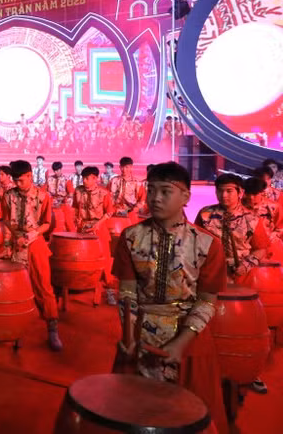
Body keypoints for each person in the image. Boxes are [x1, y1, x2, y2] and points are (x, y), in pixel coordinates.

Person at [112, 162, 229, 434]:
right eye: (150, 190)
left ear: (185, 197)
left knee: (190, 415)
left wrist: (181, 343)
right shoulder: (130, 237)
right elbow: (127, 293)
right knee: (135, 413)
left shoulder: (208, 243)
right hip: (140, 335)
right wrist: (128, 336)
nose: (155, 198)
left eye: (165, 191)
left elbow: (206, 300)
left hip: (190, 340)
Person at [195, 173, 271, 395]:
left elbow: (261, 248)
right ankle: (206, 369)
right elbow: (194, 241)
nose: (224, 195)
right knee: (208, 322)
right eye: (220, 191)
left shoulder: (251, 219)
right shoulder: (206, 215)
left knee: (244, 327)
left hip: (242, 278)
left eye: (229, 191)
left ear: (240, 192)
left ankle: (250, 371)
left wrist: (246, 264)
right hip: (211, 276)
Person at [1, 160, 63, 350]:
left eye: (20, 181)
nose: (17, 184)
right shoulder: (8, 195)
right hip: (16, 245)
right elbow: (6, 220)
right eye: (14, 181)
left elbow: (46, 223)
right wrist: (7, 245)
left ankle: (52, 327)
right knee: (16, 287)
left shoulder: (43, 196)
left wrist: (31, 235)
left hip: (35, 244)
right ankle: (15, 329)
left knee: (43, 286)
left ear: (29, 175)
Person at [72, 166, 117, 305]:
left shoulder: (104, 193)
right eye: (83, 178)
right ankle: (82, 284)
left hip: (98, 229)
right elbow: (74, 207)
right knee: (82, 257)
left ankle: (108, 290)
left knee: (103, 260)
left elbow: (109, 212)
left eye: (87, 178)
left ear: (95, 179)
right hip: (82, 229)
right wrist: (76, 219)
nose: (84, 181)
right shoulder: (78, 191)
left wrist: (98, 224)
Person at [243, 177, 283, 261]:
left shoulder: (274, 207)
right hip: (246, 248)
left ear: (262, 193)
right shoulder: (238, 207)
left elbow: (280, 227)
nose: (251, 197)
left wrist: (270, 237)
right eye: (248, 193)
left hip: (270, 247)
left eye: (254, 194)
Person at [109, 157, 146, 222]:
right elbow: (107, 197)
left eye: (126, 167)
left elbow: (142, 199)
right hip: (115, 212)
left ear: (131, 167)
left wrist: (136, 208)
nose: (124, 170)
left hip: (131, 212)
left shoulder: (137, 183)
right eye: (122, 167)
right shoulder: (113, 181)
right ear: (120, 167)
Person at [45, 161, 74, 232]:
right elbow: (44, 191)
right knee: (55, 223)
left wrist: (65, 200)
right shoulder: (49, 179)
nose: (56, 172)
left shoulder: (66, 180)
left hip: (63, 203)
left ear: (61, 169)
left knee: (69, 222)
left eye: (58, 170)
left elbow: (71, 193)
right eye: (55, 171)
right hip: (52, 204)